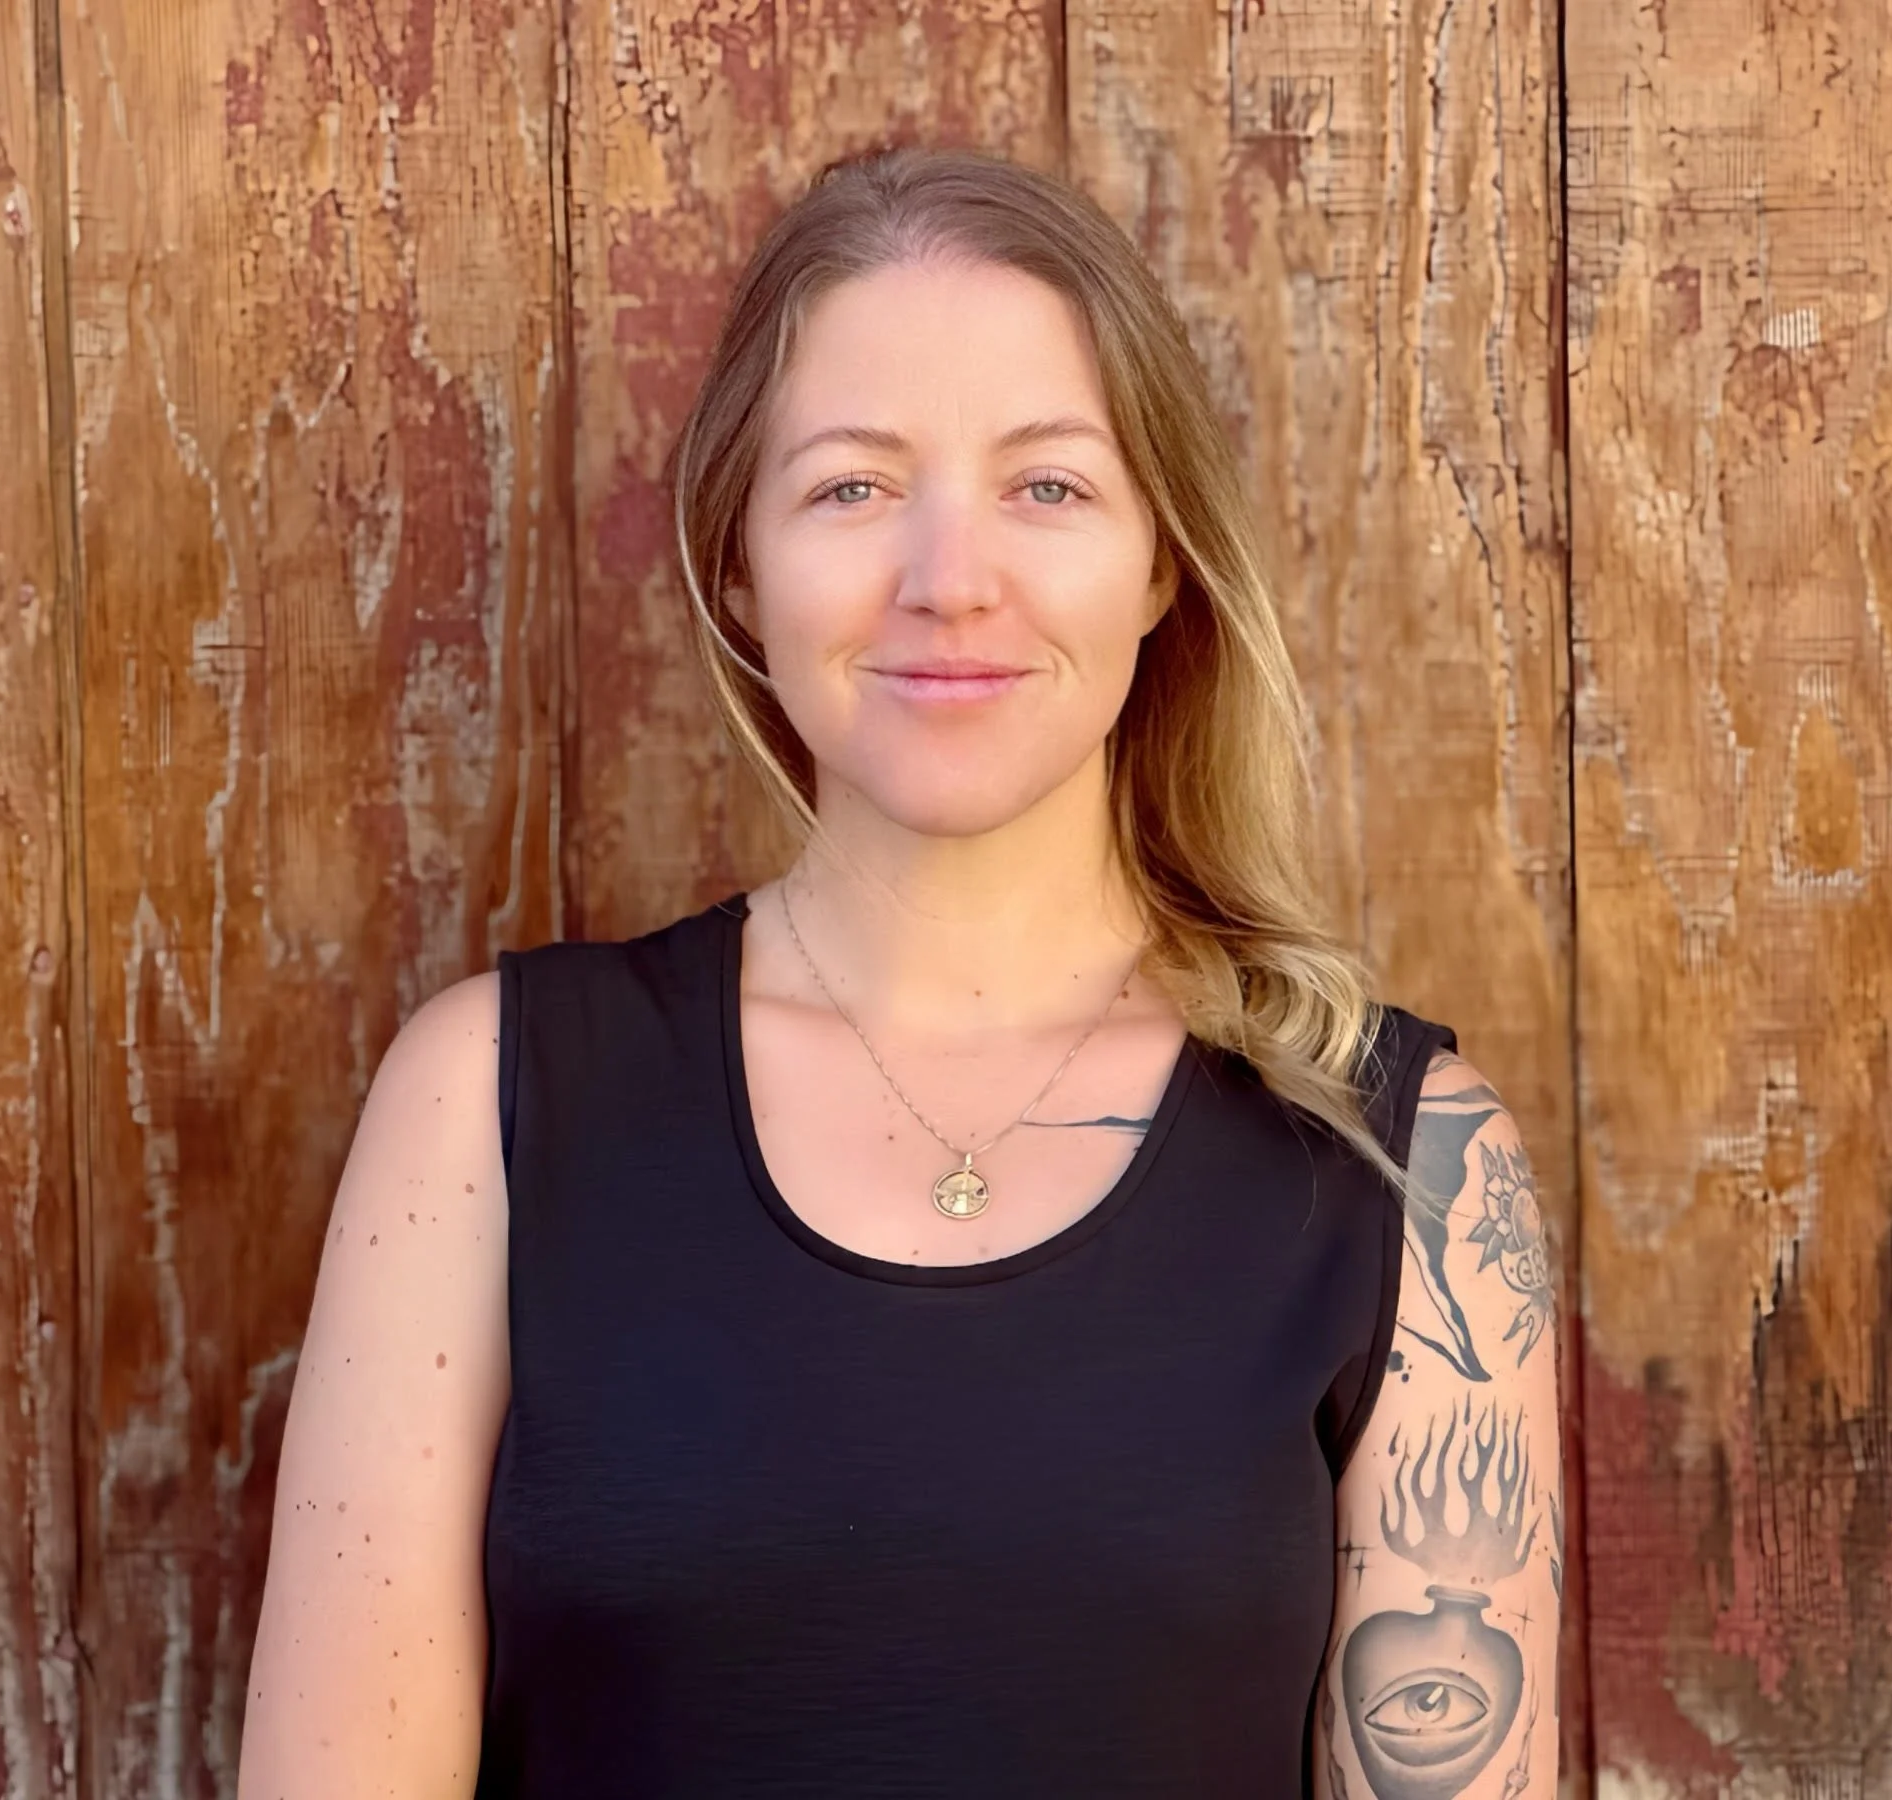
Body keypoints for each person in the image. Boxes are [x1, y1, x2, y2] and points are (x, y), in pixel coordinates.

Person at [237, 144, 1562, 1800]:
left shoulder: (1408, 1169)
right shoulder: (488, 1114)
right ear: (741, 567)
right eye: (854, 487)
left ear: (1160, 561)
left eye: (1048, 486)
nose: (950, 578)